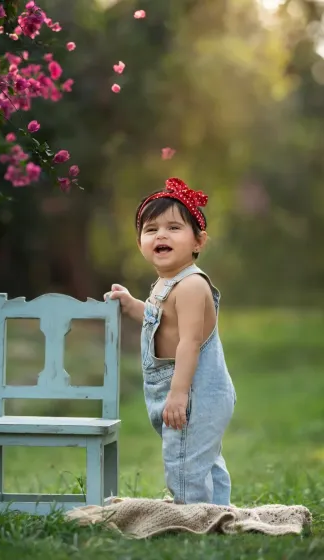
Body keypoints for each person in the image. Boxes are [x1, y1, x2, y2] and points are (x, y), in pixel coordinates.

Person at [104, 177, 236, 505]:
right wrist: (132, 305)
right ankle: (214, 509)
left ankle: (191, 516)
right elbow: (160, 319)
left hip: (193, 390)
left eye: (174, 227)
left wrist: (178, 396)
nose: (161, 234)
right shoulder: (165, 283)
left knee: (184, 462)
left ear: (198, 242)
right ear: (141, 244)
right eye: (151, 230)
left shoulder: (191, 285)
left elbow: (189, 342)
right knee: (198, 457)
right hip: (176, 389)